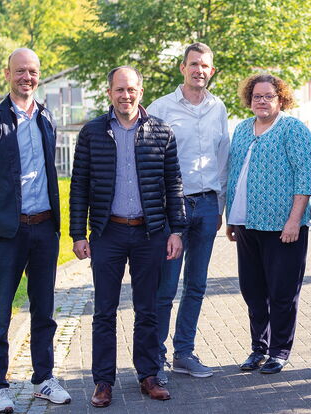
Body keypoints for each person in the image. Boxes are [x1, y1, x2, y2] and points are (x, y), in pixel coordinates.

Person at [69, 66, 186, 407]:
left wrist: (176, 229)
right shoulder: (92, 133)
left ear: (141, 91)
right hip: (108, 233)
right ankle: (103, 381)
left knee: (147, 309)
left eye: (131, 89)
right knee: (104, 310)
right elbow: (79, 186)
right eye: (119, 89)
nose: (126, 95)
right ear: (110, 93)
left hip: (150, 233)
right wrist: (79, 233)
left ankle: (148, 375)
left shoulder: (161, 131)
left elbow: (173, 184)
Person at [0, 48, 71, 412]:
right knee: (0, 312)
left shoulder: (46, 117)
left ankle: (43, 379)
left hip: (44, 230)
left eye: (34, 71)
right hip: (6, 235)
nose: (28, 77)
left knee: (45, 311)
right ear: (8, 74)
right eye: (21, 71)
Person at [146, 42, 229, 383]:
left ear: (211, 71)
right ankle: (155, 358)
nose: (199, 70)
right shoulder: (160, 108)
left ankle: (184, 353)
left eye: (205, 66)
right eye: (193, 64)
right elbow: (149, 163)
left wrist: (221, 206)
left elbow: (223, 159)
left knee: (196, 285)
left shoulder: (218, 107)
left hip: (208, 205)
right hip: (172, 209)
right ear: (182, 67)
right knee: (165, 287)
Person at [225, 73, 311, 375]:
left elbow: (306, 175)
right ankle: (258, 348)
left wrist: (294, 220)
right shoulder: (241, 129)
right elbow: (235, 174)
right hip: (246, 224)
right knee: (253, 291)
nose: (262, 101)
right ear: (249, 99)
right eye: (256, 96)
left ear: (281, 99)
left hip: (283, 227)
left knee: (282, 292)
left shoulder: (293, 129)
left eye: (268, 96)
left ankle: (279, 350)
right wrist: (231, 218)